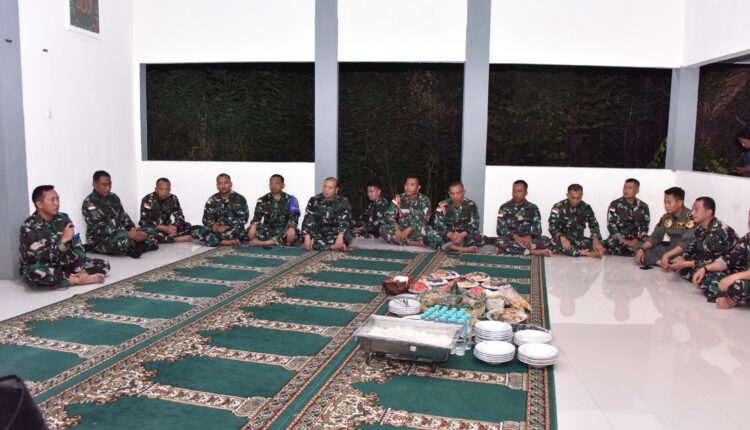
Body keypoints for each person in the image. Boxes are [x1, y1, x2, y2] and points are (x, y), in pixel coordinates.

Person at [20, 185, 109, 289]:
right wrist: (62, 241)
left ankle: (64, 278)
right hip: (44, 265)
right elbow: (37, 258)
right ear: (39, 204)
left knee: (104, 264)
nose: (57, 203)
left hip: (64, 261)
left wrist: (80, 268)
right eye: (52, 200)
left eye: (57, 199)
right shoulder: (29, 226)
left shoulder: (63, 218)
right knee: (34, 272)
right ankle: (76, 280)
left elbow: (76, 245)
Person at [82, 170, 158, 258]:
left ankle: (137, 248)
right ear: (94, 184)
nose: (108, 188)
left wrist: (133, 230)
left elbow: (123, 216)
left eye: (110, 184)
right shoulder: (89, 203)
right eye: (104, 185)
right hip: (101, 239)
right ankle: (143, 246)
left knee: (151, 231)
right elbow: (100, 229)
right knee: (123, 242)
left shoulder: (114, 197)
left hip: (122, 232)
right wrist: (127, 233)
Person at [668, 197, 738, 282]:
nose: (692, 213)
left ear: (708, 212)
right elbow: (692, 247)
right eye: (692, 209)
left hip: (727, 267)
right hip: (707, 261)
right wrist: (683, 258)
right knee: (684, 269)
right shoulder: (700, 227)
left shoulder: (719, 231)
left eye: (696, 210)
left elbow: (713, 261)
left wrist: (685, 264)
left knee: (704, 277)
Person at [139, 177, 217, 246]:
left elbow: (180, 217)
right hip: (155, 228)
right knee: (145, 233)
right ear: (156, 189)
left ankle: (171, 236)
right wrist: (164, 228)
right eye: (161, 189)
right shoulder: (147, 199)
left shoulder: (173, 198)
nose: (164, 192)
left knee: (187, 225)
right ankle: (176, 239)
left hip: (169, 228)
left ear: (170, 189)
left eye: (167, 189)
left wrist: (174, 228)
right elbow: (144, 220)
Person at [696, 210, 750, 309]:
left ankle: (731, 299)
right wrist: (705, 269)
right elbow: (728, 260)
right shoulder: (748, 238)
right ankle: (734, 296)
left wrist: (732, 278)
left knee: (738, 285)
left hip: (744, 279)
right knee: (706, 277)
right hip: (744, 276)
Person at [634, 187, 696, 268]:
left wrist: (666, 255)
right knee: (639, 245)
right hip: (671, 248)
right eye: (665, 202)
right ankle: (662, 263)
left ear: (679, 202)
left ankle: (665, 262)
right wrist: (642, 249)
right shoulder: (666, 217)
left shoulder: (691, 217)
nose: (666, 206)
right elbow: (656, 236)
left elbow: (685, 244)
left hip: (684, 252)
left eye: (669, 203)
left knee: (685, 257)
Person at [496, 180, 552, 256]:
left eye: (519, 191)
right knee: (499, 241)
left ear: (526, 193)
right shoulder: (503, 207)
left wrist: (529, 236)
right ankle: (532, 252)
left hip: (528, 239)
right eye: (514, 191)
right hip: (512, 238)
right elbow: (500, 229)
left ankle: (510, 250)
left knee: (546, 240)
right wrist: (515, 237)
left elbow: (537, 228)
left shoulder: (533, 208)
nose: (516, 194)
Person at [548, 184, 604, 257]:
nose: (575, 201)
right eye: (573, 198)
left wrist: (595, 240)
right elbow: (552, 226)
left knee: (602, 243)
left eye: (578, 198)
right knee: (553, 242)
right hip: (563, 239)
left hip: (578, 239)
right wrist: (562, 237)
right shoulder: (558, 207)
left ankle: (574, 251)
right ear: (567, 195)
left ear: (582, 195)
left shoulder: (586, 207)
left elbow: (594, 225)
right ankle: (584, 253)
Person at [426, 181, 483, 253]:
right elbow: (438, 224)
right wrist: (451, 235)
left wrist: (461, 235)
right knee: (431, 234)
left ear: (463, 192)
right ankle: (460, 248)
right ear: (449, 193)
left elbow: (474, 224)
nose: (455, 196)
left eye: (458, 193)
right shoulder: (442, 205)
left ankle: (448, 247)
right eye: (452, 194)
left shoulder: (471, 205)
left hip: (464, 235)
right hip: (448, 236)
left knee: (479, 236)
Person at [247, 174, 300, 247]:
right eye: (271, 183)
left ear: (283, 186)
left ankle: (264, 243)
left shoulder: (292, 199)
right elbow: (257, 217)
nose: (273, 186)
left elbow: (294, 217)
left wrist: (291, 228)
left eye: (276, 183)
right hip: (267, 229)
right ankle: (276, 242)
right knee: (249, 229)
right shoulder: (262, 199)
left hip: (284, 229)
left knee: (295, 232)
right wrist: (253, 226)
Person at [302, 177, 352, 251]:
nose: (326, 190)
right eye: (325, 186)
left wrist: (340, 236)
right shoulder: (314, 200)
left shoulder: (343, 201)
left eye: (330, 188)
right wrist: (306, 237)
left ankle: (328, 245)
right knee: (305, 237)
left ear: (336, 190)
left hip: (336, 231)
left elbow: (345, 220)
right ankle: (333, 247)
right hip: (319, 231)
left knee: (347, 234)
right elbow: (308, 218)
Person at [604, 178, 651, 256]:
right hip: (620, 238)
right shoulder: (615, 204)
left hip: (636, 238)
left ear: (637, 190)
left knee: (650, 243)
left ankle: (633, 249)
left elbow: (645, 227)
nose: (626, 190)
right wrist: (623, 240)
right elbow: (611, 224)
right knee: (611, 243)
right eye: (624, 187)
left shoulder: (643, 206)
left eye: (629, 188)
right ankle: (634, 250)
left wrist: (636, 240)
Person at [380, 176, 431, 246]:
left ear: (418, 188)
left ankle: (402, 241)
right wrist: (396, 228)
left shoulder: (424, 200)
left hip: (416, 230)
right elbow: (389, 214)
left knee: (428, 231)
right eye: (406, 184)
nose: (408, 187)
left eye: (412, 185)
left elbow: (425, 219)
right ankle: (413, 242)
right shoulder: (398, 198)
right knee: (383, 228)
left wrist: (410, 228)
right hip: (401, 229)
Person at [201, 173, 249, 246]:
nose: (223, 186)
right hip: (217, 230)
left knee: (239, 232)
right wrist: (212, 225)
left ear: (231, 184)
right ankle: (225, 242)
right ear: (217, 186)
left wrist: (227, 226)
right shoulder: (212, 200)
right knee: (197, 230)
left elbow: (244, 218)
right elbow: (205, 219)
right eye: (220, 183)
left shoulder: (239, 199)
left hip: (232, 229)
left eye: (226, 183)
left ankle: (214, 240)